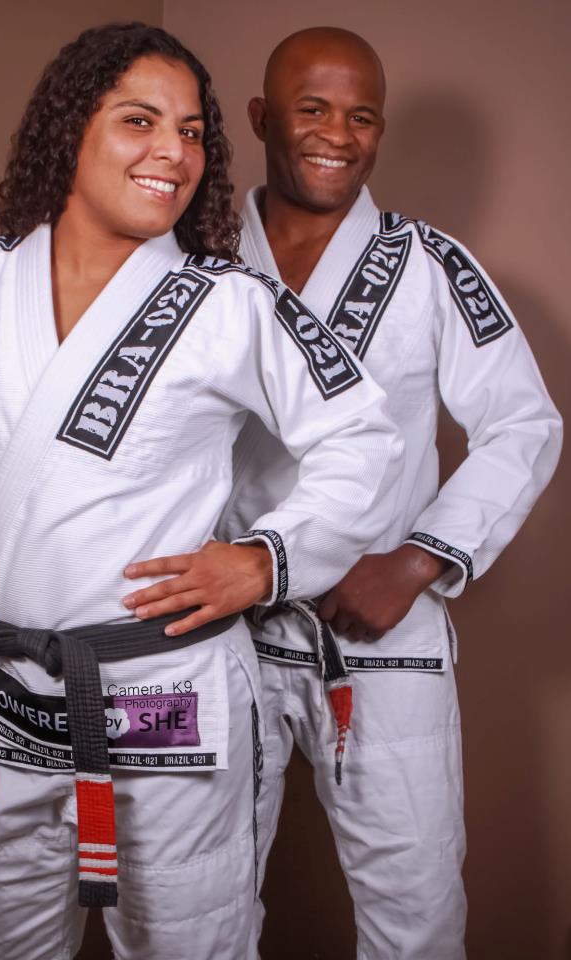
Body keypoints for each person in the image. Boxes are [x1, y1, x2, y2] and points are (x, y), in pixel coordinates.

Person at [0, 23, 403, 960]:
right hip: (10, 695)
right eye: (140, 121)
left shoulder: (230, 303)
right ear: (71, 129)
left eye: (192, 132)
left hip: (168, 702)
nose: (172, 152)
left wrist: (265, 561)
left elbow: (365, 436)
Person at [218, 26, 563, 960]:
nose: (338, 134)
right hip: (225, 631)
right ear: (261, 118)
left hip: (380, 628)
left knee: (415, 911)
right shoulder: (195, 263)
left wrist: (416, 562)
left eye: (361, 116)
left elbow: (524, 424)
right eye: (312, 109)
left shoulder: (431, 264)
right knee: (195, 909)